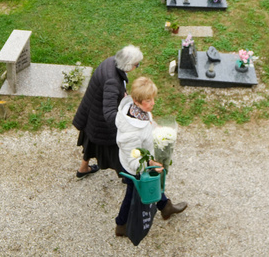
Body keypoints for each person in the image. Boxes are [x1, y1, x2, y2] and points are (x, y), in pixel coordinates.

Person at [114, 77, 186, 237]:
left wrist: (157, 129)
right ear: (136, 101)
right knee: (132, 193)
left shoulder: (140, 112)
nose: (152, 103)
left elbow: (147, 124)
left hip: (144, 161)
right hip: (136, 168)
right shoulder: (130, 132)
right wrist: (151, 162)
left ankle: (165, 206)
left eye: (153, 98)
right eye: (148, 100)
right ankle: (121, 225)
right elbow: (134, 159)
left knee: (146, 188)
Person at [72, 45, 143, 179]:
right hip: (101, 122)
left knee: (90, 143)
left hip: (91, 114)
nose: (137, 67)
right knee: (118, 153)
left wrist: (123, 94)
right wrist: (126, 124)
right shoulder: (112, 81)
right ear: (128, 65)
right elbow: (110, 114)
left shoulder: (111, 61)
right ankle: (129, 177)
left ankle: (83, 168)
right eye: (137, 65)